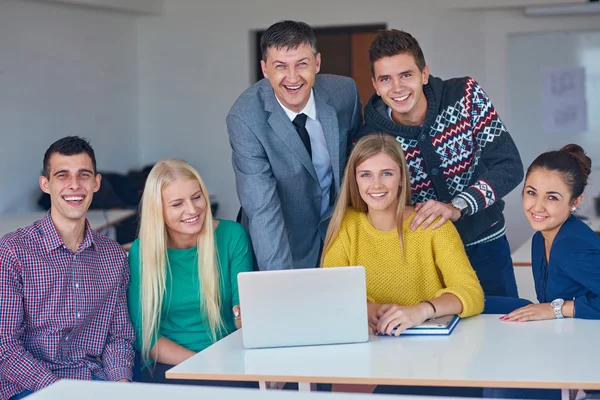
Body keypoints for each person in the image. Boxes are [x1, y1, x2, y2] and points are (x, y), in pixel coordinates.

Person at [357, 29, 523, 297]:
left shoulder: (465, 96)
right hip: (423, 257)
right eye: (386, 79)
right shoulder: (370, 138)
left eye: (406, 75)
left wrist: (458, 205)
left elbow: (509, 165)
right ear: (375, 85)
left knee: (501, 324)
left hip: (486, 244)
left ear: (424, 74)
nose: (397, 88)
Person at [322, 133, 484, 394]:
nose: (376, 184)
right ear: (354, 180)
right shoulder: (346, 226)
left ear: (401, 178)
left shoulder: (432, 224)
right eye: (365, 174)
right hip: (369, 361)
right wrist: (370, 308)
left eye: (386, 173)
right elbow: (329, 295)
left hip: (433, 361)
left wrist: (421, 311)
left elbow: (472, 294)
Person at [0, 136, 135, 399]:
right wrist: (63, 392)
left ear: (96, 183)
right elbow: (5, 347)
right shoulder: (13, 252)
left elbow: (119, 337)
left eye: (83, 175)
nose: (74, 185)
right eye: (62, 175)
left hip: (95, 383)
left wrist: (121, 385)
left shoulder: (114, 257)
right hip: (30, 388)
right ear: (45, 184)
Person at [227, 20, 362, 271]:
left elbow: (361, 163)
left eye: (302, 64)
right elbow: (262, 209)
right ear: (265, 69)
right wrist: (281, 284)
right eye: (280, 66)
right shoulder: (245, 118)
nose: (292, 77)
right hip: (282, 240)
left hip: (340, 235)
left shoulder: (345, 93)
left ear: (317, 63)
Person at [127, 159, 255, 388]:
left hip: (228, 358)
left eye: (197, 197)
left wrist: (246, 316)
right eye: (177, 204)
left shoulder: (232, 236)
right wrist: (201, 364)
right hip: (170, 363)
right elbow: (145, 335)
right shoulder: (141, 251)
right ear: (159, 210)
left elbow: (243, 318)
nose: (192, 210)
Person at [488, 144, 600, 400]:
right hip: (570, 341)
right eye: (531, 193)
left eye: (552, 197)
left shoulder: (572, 247)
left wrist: (558, 308)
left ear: (575, 202)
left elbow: (553, 305)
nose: (537, 207)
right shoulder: (543, 236)